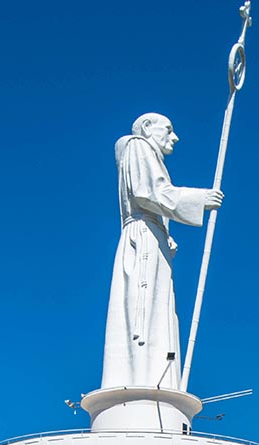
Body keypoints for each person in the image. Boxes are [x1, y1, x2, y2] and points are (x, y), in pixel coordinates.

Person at [100, 113, 223, 390]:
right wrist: (199, 198)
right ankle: (140, 383)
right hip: (143, 237)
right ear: (147, 128)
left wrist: (165, 237)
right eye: (168, 130)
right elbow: (148, 192)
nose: (175, 137)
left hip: (153, 238)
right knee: (141, 317)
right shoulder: (137, 146)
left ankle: (159, 382)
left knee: (158, 314)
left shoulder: (147, 155)